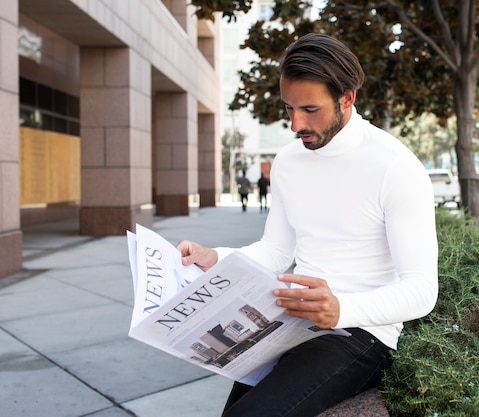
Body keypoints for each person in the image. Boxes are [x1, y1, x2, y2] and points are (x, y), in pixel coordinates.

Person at [176, 33, 438, 417]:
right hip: (289, 321)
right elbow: (276, 251)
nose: (296, 123)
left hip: (360, 332)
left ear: (347, 98)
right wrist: (216, 257)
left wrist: (340, 309)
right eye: (288, 108)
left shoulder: (396, 168)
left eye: (310, 109)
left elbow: (421, 290)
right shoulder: (288, 161)